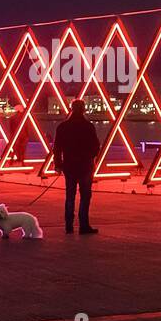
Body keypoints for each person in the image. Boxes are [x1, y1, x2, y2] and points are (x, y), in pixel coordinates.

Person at [53, 100, 101, 234]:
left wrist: (58, 164)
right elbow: (96, 146)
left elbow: (57, 148)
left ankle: (69, 226)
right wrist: (91, 157)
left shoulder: (63, 126)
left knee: (70, 195)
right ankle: (83, 225)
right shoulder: (88, 126)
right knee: (85, 196)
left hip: (69, 165)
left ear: (71, 109)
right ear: (84, 109)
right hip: (85, 165)